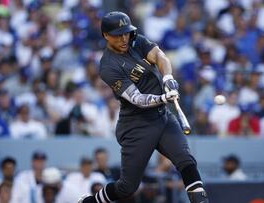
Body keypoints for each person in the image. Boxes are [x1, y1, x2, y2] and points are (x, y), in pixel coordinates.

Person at [78, 11, 208, 203]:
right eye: (118, 34)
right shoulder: (108, 66)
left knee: (186, 161)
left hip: (162, 117)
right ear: (105, 35)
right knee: (127, 187)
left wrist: (168, 78)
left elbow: (159, 56)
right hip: (137, 125)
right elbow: (137, 99)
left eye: (126, 32)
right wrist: (164, 97)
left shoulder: (135, 40)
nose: (124, 38)